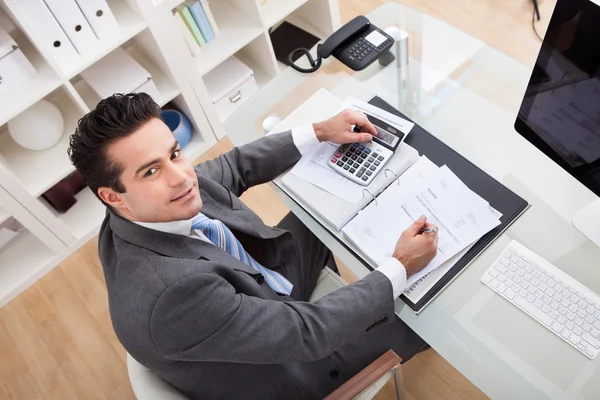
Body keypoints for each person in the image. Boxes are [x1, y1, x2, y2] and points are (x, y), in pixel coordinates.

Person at [68, 93, 438, 400]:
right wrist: (399, 266)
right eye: (151, 171)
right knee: (424, 320)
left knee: (317, 218)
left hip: (257, 297)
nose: (181, 177)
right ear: (113, 196)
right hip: (290, 375)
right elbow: (307, 334)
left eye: (175, 153)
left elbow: (235, 165)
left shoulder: (137, 210)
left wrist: (320, 131)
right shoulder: (173, 295)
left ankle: (343, 301)